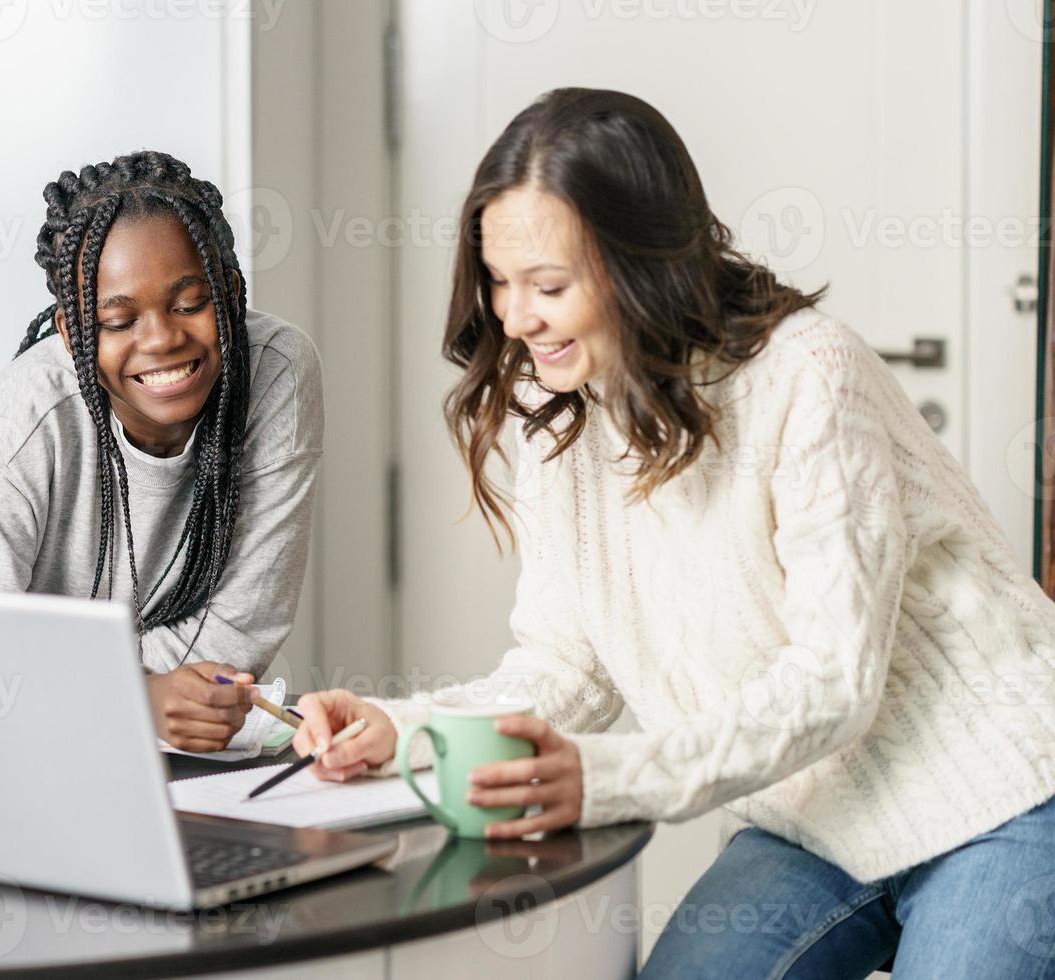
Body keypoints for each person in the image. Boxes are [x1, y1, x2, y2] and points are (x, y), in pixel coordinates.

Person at [293, 89, 1055, 977]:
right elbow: (566, 667)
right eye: (499, 281)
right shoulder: (562, 413)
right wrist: (402, 730)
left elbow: (833, 682)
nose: (514, 318)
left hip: (1004, 793)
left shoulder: (808, 373)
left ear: (641, 262)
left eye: (548, 285)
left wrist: (605, 777)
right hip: (823, 815)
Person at [0, 150, 323, 754]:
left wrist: (139, 697)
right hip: (22, 743)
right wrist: (137, 697)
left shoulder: (275, 371)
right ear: (72, 329)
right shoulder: (33, 409)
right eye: (118, 321)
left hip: (183, 747)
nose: (162, 339)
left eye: (191, 304)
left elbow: (243, 626)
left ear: (233, 291)